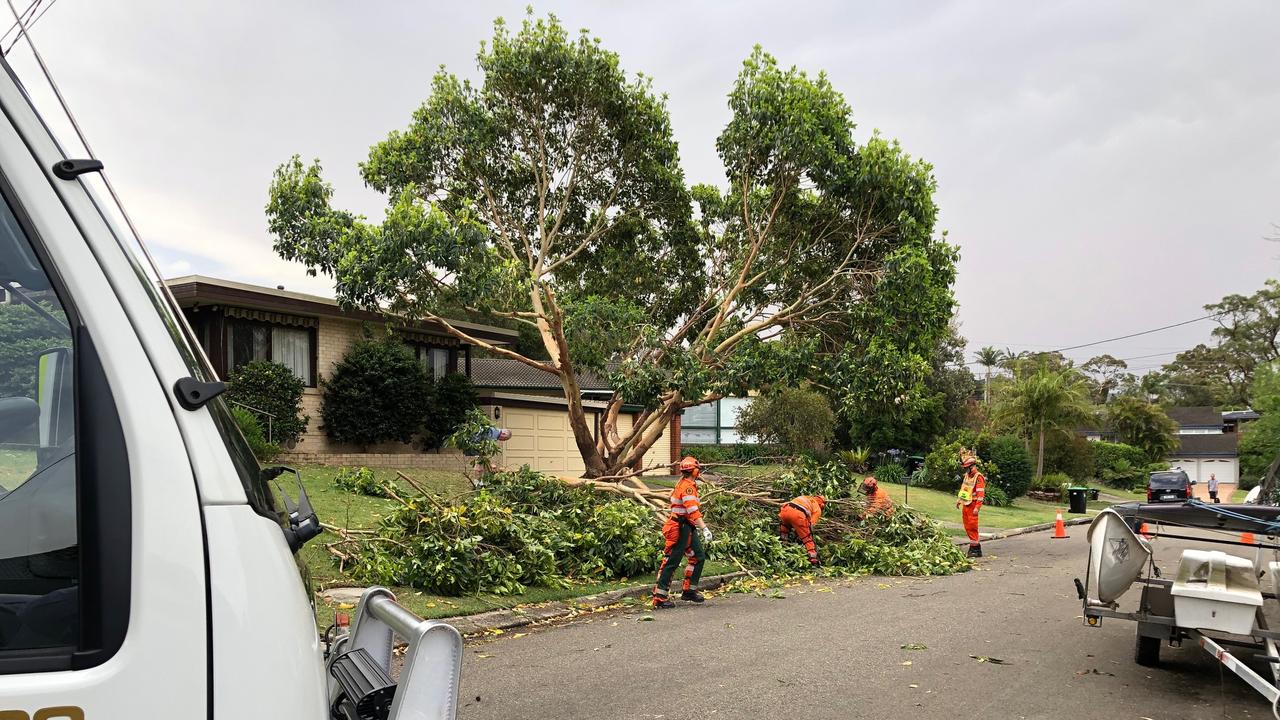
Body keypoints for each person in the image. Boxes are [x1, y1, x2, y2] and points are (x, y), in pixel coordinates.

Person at [653, 456, 712, 608]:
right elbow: (693, 510)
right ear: (694, 471)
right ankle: (660, 597)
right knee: (671, 561)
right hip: (679, 528)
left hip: (687, 527)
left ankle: (689, 591)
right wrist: (704, 528)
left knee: (698, 557)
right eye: (697, 469)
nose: (699, 471)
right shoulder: (687, 487)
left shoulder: (684, 484)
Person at [778, 494, 826, 566]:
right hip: (797, 515)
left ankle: (782, 548)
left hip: (785, 510)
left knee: (784, 531)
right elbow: (810, 525)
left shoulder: (806, 498)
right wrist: (803, 534)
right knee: (808, 539)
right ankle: (814, 560)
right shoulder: (817, 508)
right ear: (822, 504)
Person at [956, 449, 986, 558]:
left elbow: (980, 494)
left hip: (973, 505)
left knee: (973, 526)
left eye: (967, 468)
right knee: (967, 526)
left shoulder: (979, 477)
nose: (965, 470)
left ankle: (975, 548)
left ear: (972, 466)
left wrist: (977, 507)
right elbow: (964, 489)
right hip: (966, 504)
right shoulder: (967, 476)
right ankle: (974, 547)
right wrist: (959, 500)